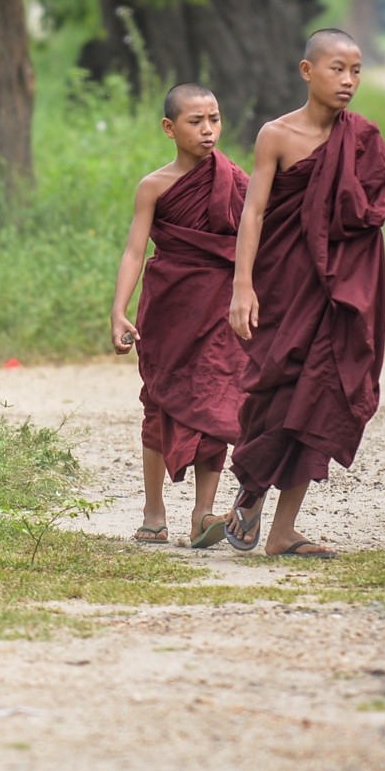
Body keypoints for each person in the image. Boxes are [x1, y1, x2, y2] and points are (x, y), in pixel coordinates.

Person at [226, 29, 385, 558]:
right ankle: (251, 492)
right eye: (337, 68)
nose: (348, 81)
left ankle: (284, 530)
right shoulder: (276, 135)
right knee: (275, 393)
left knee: (318, 396)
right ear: (307, 71)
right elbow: (254, 213)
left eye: (357, 70)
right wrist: (242, 285)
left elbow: (365, 219)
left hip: (338, 291)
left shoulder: (362, 138)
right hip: (284, 284)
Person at [110, 84, 250, 548]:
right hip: (168, 307)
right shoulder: (154, 186)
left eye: (215, 119)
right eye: (196, 121)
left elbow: (255, 246)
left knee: (216, 400)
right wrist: (118, 310)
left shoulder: (235, 180)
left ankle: (202, 514)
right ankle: (154, 514)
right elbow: (134, 251)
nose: (208, 130)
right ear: (170, 128)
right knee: (160, 400)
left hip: (220, 308)